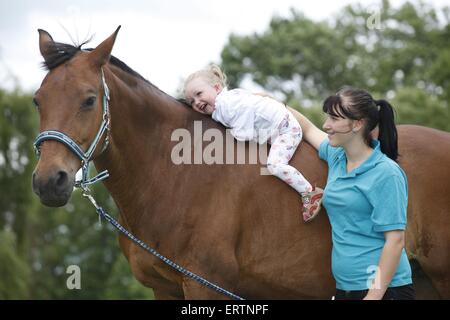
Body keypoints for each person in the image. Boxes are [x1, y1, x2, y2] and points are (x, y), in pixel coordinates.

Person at [295, 86, 414, 300]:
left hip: (385, 292)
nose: (326, 125)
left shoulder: (386, 173)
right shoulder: (336, 156)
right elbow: (308, 128)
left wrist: (373, 296)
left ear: (357, 124)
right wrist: (270, 102)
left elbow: (395, 241)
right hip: (346, 288)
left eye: (334, 119)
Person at [183, 64, 324, 222]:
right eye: (191, 102)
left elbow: (244, 127)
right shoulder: (223, 105)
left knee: (274, 165)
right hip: (273, 129)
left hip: (285, 129)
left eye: (199, 94)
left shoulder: (227, 105)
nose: (196, 102)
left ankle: (310, 193)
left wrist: (235, 135)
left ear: (216, 88)